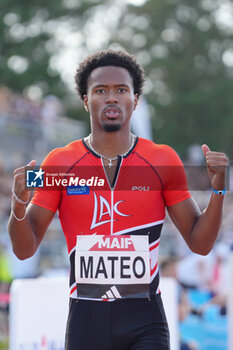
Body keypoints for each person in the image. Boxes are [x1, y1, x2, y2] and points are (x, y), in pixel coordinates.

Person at [8, 49, 228, 350]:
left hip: (146, 320)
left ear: (135, 100)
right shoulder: (59, 163)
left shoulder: (163, 160)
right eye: (100, 90)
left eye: (121, 90)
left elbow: (200, 243)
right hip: (87, 320)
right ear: (86, 100)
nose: (111, 98)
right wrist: (18, 206)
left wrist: (218, 190)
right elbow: (23, 249)